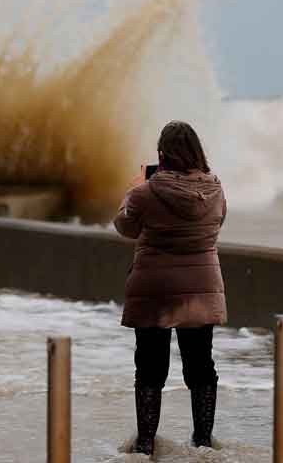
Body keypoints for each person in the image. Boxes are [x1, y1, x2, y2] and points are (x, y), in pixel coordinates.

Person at [113, 121, 228, 457]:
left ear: (161, 155)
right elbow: (217, 223)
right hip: (201, 288)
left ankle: (146, 444)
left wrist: (133, 188)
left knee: (150, 367)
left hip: (155, 289)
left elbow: (125, 226)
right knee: (201, 364)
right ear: (196, 153)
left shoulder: (145, 192)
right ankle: (203, 442)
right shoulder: (216, 189)